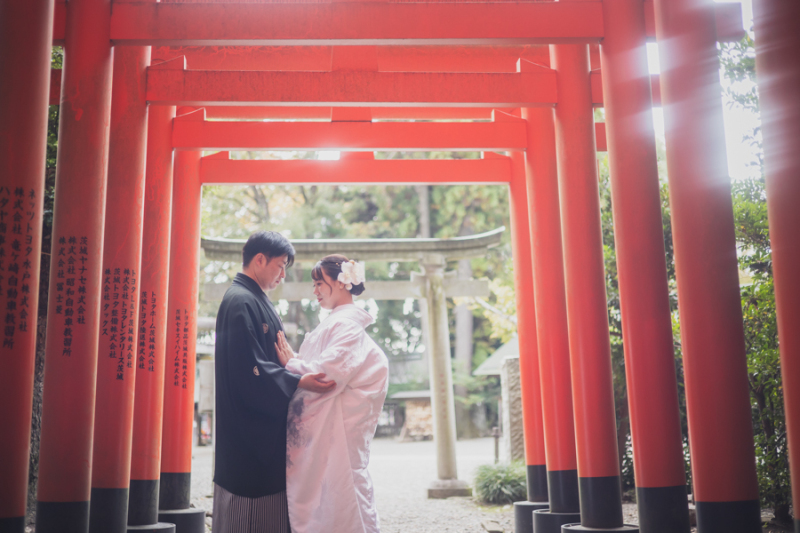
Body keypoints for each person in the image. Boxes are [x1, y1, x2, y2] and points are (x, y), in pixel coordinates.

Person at [213, 231, 335, 533]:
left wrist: (293, 367)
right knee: (252, 518)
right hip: (250, 436)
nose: (283, 274)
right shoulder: (241, 301)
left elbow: (271, 361)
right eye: (280, 266)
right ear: (259, 260)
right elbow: (250, 369)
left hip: (261, 432)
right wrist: (298, 380)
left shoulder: (253, 299)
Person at [275, 254, 389, 533]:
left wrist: (290, 362)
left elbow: (326, 377)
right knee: (333, 496)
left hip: (340, 425)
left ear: (340, 283)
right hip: (334, 425)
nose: (314, 291)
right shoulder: (337, 324)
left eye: (319, 283)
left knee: (340, 493)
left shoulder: (346, 326)